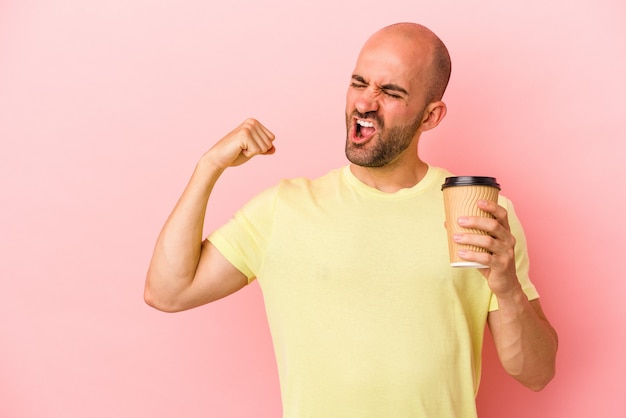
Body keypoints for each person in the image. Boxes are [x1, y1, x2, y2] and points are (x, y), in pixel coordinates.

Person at [145, 22, 558, 417]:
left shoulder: (478, 213)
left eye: (391, 92)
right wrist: (208, 167)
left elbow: (537, 374)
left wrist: (506, 288)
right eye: (359, 83)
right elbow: (168, 291)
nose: (364, 103)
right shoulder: (284, 209)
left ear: (431, 116)